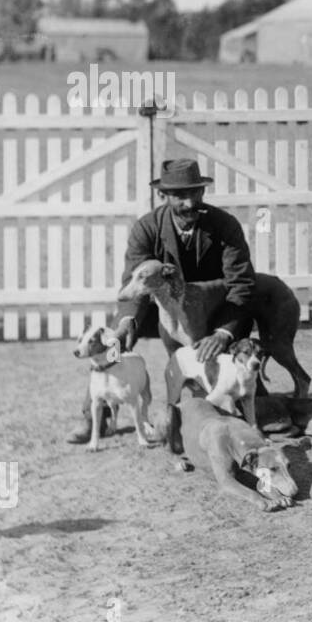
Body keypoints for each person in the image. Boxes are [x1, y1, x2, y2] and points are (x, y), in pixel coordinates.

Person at [65, 159, 257, 443]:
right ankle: (96, 415)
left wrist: (223, 332)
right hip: (158, 309)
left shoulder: (224, 226)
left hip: (212, 310)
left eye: (195, 193)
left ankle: (239, 400)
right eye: (180, 196)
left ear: (203, 193)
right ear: (163, 196)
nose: (189, 203)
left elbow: (241, 284)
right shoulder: (147, 228)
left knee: (233, 360)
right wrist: (128, 321)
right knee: (115, 340)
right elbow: (134, 282)